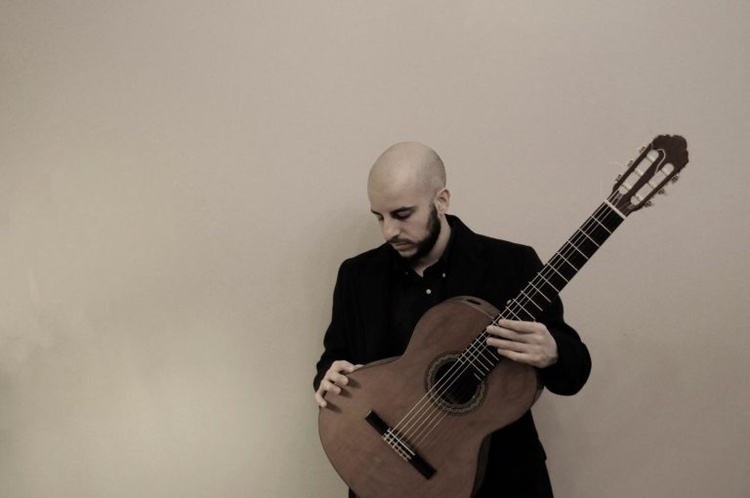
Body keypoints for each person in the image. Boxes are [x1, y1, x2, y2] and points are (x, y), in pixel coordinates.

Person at [313, 142, 591, 497]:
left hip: (502, 481)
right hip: (386, 476)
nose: (388, 231)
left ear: (441, 200)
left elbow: (574, 374)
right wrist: (329, 376)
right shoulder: (358, 276)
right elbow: (334, 358)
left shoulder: (512, 264)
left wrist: (554, 352)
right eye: (379, 217)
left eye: (402, 214)